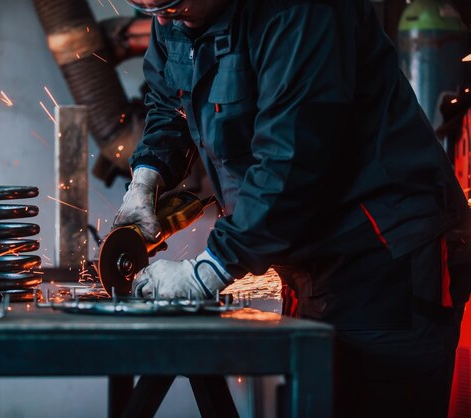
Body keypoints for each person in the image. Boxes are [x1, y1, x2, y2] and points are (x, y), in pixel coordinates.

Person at [113, 0, 469, 416]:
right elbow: (169, 102)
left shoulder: (302, 12)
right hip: (311, 255)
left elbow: (292, 160)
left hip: (386, 256)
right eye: (146, 6)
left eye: (172, 4)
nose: (162, 19)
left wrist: (210, 268)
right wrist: (147, 174)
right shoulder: (174, 16)